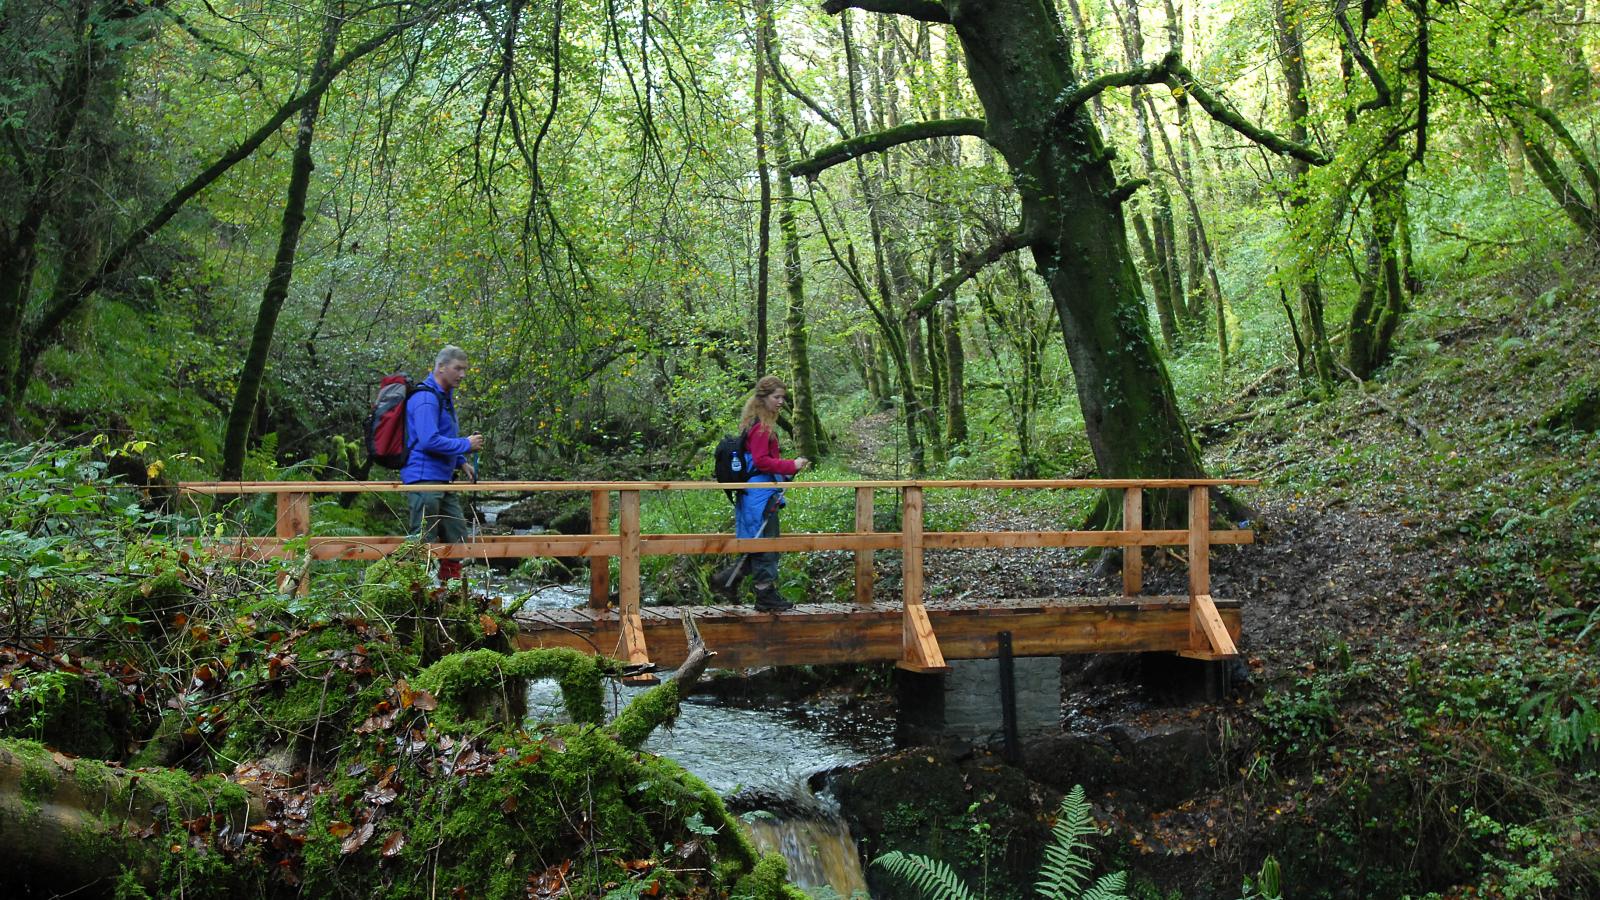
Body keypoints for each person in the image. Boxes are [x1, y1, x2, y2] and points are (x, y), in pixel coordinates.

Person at [713, 376, 810, 611]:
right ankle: (764, 595)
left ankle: (726, 580)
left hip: (757, 493)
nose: (781, 402)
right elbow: (762, 461)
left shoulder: (756, 424)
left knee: (759, 541)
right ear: (763, 398)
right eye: (776, 397)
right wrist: (792, 465)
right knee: (766, 543)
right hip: (759, 496)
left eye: (782, 398)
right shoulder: (761, 428)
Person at [400, 345, 484, 585]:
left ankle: (449, 592)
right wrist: (465, 444)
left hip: (442, 478)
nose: (462, 374)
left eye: (464, 369)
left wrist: (461, 462)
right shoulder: (426, 398)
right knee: (422, 540)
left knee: (456, 534)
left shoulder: (443, 398)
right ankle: (412, 594)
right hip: (424, 478)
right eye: (458, 368)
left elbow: (442, 434)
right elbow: (428, 440)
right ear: (441, 367)